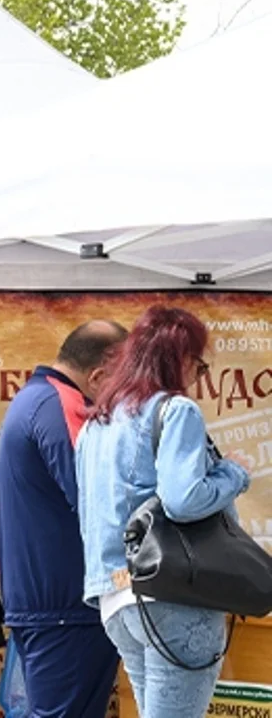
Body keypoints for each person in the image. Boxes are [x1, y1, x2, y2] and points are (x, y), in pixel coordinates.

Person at [78, 307, 250, 718]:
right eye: (199, 364)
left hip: (114, 595)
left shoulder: (94, 425)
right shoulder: (175, 410)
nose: (197, 376)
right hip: (172, 592)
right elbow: (184, 499)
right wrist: (234, 473)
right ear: (180, 357)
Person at [0, 320, 127, 718]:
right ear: (99, 373)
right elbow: (95, 498)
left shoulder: (37, 399)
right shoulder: (62, 405)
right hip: (64, 606)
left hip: (55, 604)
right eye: (122, 382)